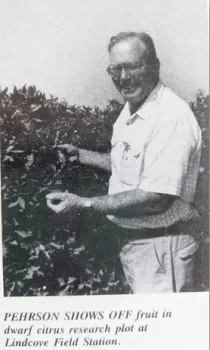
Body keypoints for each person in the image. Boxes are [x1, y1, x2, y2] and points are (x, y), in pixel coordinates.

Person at [46, 32, 202, 293]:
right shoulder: (131, 109)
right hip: (141, 249)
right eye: (115, 69)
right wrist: (80, 155)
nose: (123, 77)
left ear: (154, 66)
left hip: (162, 250)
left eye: (132, 66)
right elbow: (129, 166)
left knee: (160, 332)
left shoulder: (170, 117)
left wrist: (84, 203)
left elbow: (155, 197)